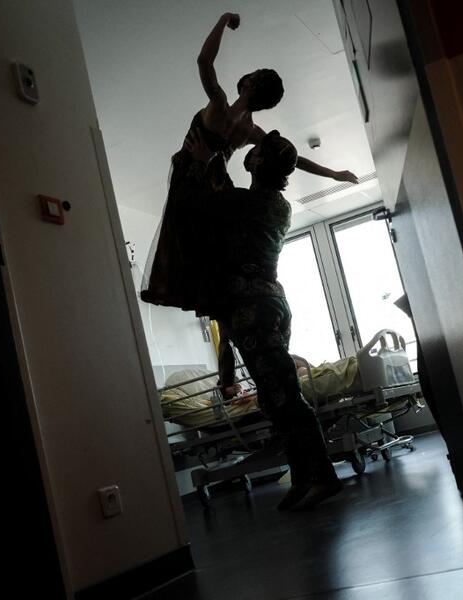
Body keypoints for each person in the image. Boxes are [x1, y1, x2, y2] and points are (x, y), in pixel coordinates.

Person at [141, 12, 357, 310]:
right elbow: (292, 158)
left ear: (249, 83)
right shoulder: (252, 131)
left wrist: (222, 19)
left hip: (193, 173)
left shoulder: (218, 104)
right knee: (210, 247)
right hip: (217, 184)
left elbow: (204, 60)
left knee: (186, 242)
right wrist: (334, 174)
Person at [179, 127, 343, 510]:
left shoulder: (245, 203)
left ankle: (323, 477)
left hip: (254, 308)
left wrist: (202, 163)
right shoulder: (276, 204)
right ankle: (304, 478)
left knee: (284, 398)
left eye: (256, 151)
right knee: (276, 398)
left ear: (257, 163)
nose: (250, 152)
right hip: (270, 303)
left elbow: (195, 202)